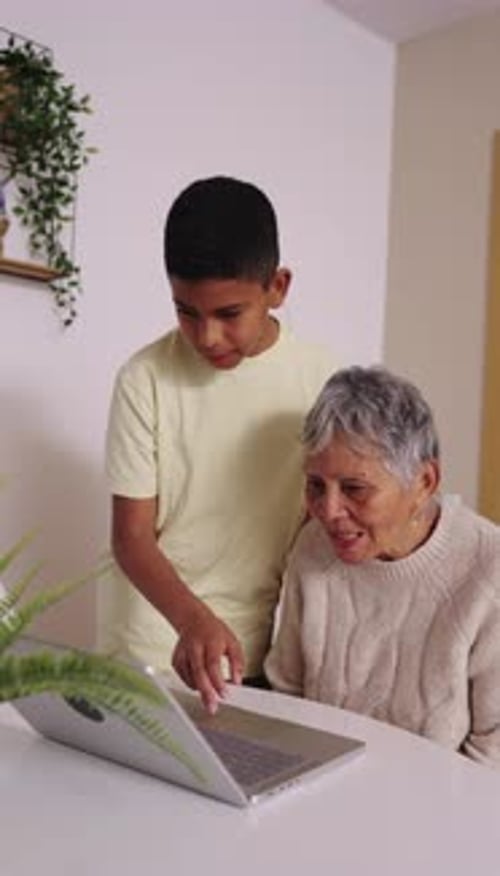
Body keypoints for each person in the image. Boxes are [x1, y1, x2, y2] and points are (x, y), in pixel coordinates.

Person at [101, 175, 334, 712]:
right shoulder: (144, 379)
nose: (206, 336)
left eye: (229, 314)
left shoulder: (321, 382)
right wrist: (192, 620)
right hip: (148, 650)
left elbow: (315, 527)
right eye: (186, 311)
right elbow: (132, 537)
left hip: (251, 658)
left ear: (278, 287)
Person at [265, 365, 500, 769]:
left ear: (424, 482)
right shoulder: (312, 549)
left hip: (438, 813)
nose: (328, 510)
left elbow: (492, 756)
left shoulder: (488, 569)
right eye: (316, 486)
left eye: (354, 489)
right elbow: (287, 695)